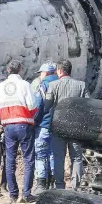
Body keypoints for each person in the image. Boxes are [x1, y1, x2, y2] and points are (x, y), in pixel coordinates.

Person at [0, 59, 38, 203]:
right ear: (20, 69)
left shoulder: (0, 87)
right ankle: (26, 194)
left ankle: (13, 194)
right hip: (24, 124)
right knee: (28, 160)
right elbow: (32, 105)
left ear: (8, 70)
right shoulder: (25, 85)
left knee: (10, 160)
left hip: (8, 126)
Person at [44, 59, 89, 190]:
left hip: (58, 127)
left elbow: (47, 106)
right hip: (76, 127)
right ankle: (75, 186)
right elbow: (88, 106)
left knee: (59, 157)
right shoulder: (81, 85)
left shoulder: (53, 85)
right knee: (77, 158)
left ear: (59, 70)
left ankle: (59, 186)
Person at [32, 63, 59, 196]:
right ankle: (54, 184)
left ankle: (42, 185)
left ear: (46, 73)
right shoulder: (61, 84)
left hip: (44, 125)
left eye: (41, 73)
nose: (40, 75)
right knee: (54, 154)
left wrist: (34, 121)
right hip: (58, 127)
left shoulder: (43, 85)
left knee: (41, 155)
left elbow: (38, 106)